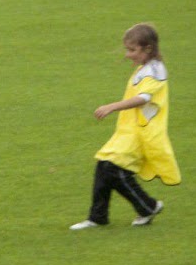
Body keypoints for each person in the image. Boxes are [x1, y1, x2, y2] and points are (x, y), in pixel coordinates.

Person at [71, 23, 180, 230]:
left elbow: (144, 97)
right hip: (129, 130)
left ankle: (148, 206)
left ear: (147, 48)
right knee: (104, 166)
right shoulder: (147, 67)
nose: (128, 54)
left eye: (132, 50)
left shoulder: (155, 71)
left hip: (143, 132)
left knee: (113, 168)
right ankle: (97, 217)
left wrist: (112, 107)